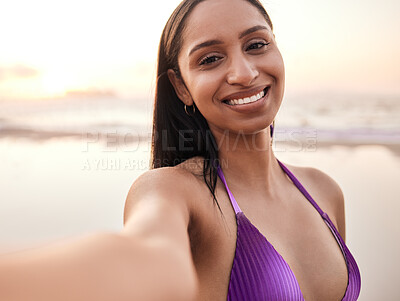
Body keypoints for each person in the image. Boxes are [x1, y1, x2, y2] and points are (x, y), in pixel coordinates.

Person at [0, 0, 361, 300]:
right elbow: (146, 258)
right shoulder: (174, 190)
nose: (244, 72)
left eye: (256, 45)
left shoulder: (324, 191)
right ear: (182, 87)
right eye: (210, 59)